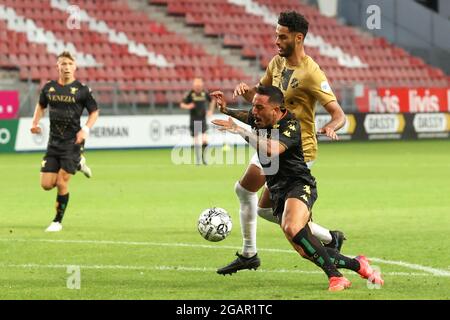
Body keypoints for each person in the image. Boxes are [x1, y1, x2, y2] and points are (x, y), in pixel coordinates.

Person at [213, 11, 348, 275]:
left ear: (299, 38)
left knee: (251, 196)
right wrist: (245, 91)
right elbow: (261, 96)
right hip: (270, 142)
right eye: (276, 34)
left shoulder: (311, 73)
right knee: (261, 207)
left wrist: (331, 126)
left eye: (282, 36)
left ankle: (250, 253)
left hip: (294, 147)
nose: (276, 41)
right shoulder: (276, 63)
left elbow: (339, 114)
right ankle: (330, 238)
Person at [212, 85, 383, 291]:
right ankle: (358, 264)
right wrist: (225, 110)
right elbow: (245, 116)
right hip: (277, 190)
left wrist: (240, 131)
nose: (253, 112)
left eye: (258, 107)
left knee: (292, 227)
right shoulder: (261, 117)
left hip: (299, 184)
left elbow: (272, 149)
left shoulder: (291, 125)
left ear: (276, 110)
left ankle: (336, 277)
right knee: (306, 250)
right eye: (254, 107)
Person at [30, 51, 99, 232]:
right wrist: (34, 122)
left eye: (70, 64)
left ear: (75, 67)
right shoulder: (49, 88)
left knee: (61, 182)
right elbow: (41, 105)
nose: (67, 67)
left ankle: (57, 222)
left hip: (73, 143)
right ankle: (79, 163)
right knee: (46, 185)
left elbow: (94, 112)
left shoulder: (83, 90)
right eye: (63, 64)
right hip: (54, 143)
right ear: (57, 67)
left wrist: (85, 129)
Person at [180, 78, 215, 165]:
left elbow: (212, 101)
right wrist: (188, 106)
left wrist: (211, 110)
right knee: (196, 140)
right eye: (196, 86)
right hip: (194, 119)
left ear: (201, 85)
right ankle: (198, 159)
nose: (198, 87)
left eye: (199, 86)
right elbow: (182, 104)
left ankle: (204, 158)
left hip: (202, 119)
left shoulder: (204, 93)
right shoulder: (190, 94)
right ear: (194, 86)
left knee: (204, 140)